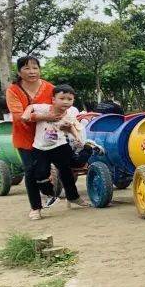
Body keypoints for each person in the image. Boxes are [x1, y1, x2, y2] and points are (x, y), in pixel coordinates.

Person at [4, 55, 59, 220]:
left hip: (47, 136)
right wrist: (44, 116)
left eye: (35, 67)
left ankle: (50, 191)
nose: (32, 71)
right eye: (27, 68)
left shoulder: (50, 88)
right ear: (19, 72)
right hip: (24, 136)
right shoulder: (13, 91)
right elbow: (19, 115)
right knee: (30, 170)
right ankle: (35, 208)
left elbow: (60, 107)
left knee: (41, 171)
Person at [23, 83, 88, 211]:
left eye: (70, 99)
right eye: (62, 98)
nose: (66, 102)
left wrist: (77, 138)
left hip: (60, 145)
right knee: (40, 174)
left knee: (69, 170)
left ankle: (73, 196)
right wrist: (26, 113)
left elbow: (70, 126)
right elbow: (31, 107)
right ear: (53, 99)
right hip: (40, 148)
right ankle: (50, 195)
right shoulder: (44, 109)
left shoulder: (69, 114)